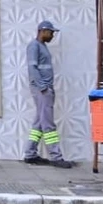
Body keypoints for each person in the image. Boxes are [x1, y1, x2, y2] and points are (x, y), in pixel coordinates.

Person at [24, 20, 73, 169]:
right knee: (48, 124)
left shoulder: (42, 47)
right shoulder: (34, 46)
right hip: (42, 90)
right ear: (42, 31)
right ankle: (56, 156)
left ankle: (30, 154)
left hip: (44, 89)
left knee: (39, 123)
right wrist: (43, 87)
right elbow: (32, 68)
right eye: (50, 32)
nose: (52, 35)